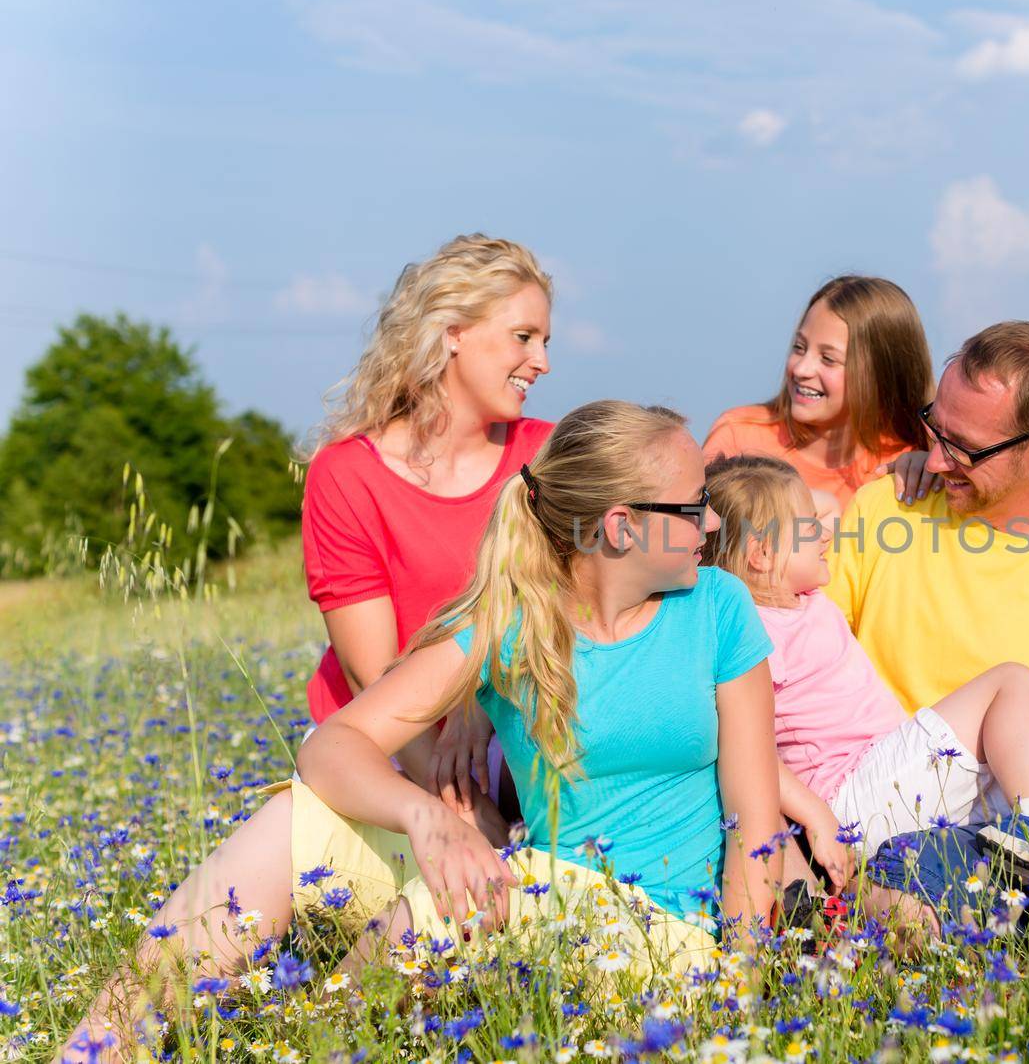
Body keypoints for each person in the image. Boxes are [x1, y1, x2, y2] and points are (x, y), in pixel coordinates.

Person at [61, 402, 783, 1063]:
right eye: (696, 508)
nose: (714, 524)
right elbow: (330, 746)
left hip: (661, 938)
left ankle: (309, 1038)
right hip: (529, 894)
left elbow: (756, 822)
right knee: (295, 821)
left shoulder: (718, 607)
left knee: (480, 894)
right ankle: (98, 1047)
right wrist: (425, 814)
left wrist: (739, 996)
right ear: (622, 526)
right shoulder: (512, 622)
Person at [702, 454, 1029, 893]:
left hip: (897, 782)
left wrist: (912, 462)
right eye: (808, 529)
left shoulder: (799, 596)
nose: (827, 532)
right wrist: (815, 815)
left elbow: (823, 505)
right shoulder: (756, 629)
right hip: (853, 793)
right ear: (763, 554)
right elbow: (748, 748)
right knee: (1012, 682)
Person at [825, 322, 1029, 811]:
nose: (935, 461)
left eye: (961, 446)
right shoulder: (885, 508)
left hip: (1004, 832)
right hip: (871, 798)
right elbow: (803, 663)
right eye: (933, 428)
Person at [302, 233, 556, 831]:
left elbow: (569, 615)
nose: (543, 362)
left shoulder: (547, 455)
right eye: (524, 338)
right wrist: (471, 817)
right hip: (389, 741)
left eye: (545, 341)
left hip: (511, 721)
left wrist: (482, 704)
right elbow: (375, 677)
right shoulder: (346, 473)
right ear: (452, 334)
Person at [702, 275, 933, 514]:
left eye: (828, 359)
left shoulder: (903, 469)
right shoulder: (738, 435)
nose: (801, 369)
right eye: (799, 347)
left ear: (881, 375)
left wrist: (933, 474)